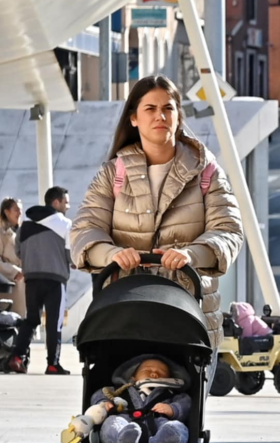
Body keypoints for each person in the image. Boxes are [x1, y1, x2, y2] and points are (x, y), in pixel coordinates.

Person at [70, 75, 244, 359]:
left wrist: (191, 255)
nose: (160, 116)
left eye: (168, 108)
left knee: (182, 400)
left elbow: (229, 231)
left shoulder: (206, 172)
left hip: (189, 320)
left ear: (178, 116)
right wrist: (113, 253)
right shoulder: (113, 173)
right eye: (150, 108)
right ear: (134, 119)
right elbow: (84, 231)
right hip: (124, 316)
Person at [6, 187, 73, 374]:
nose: (68, 206)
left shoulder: (25, 225)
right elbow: (70, 255)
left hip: (32, 279)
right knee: (54, 322)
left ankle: (17, 356)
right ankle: (53, 364)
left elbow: (18, 252)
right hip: (55, 280)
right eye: (65, 202)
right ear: (56, 202)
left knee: (32, 319)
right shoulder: (65, 224)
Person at [92, 357, 192, 443]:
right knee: (112, 422)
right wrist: (103, 404)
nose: (154, 374)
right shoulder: (121, 390)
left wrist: (173, 409)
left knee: (175, 427)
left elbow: (186, 404)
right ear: (133, 377)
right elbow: (102, 393)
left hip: (157, 425)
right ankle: (124, 440)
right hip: (126, 421)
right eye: (147, 370)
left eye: (161, 373)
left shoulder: (170, 393)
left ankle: (164, 439)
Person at [0, 198, 26, 318]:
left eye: (20, 210)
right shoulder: (1, 233)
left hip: (25, 281)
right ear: (6, 212)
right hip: (9, 283)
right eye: (16, 210)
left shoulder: (22, 231)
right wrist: (14, 271)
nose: (20, 213)